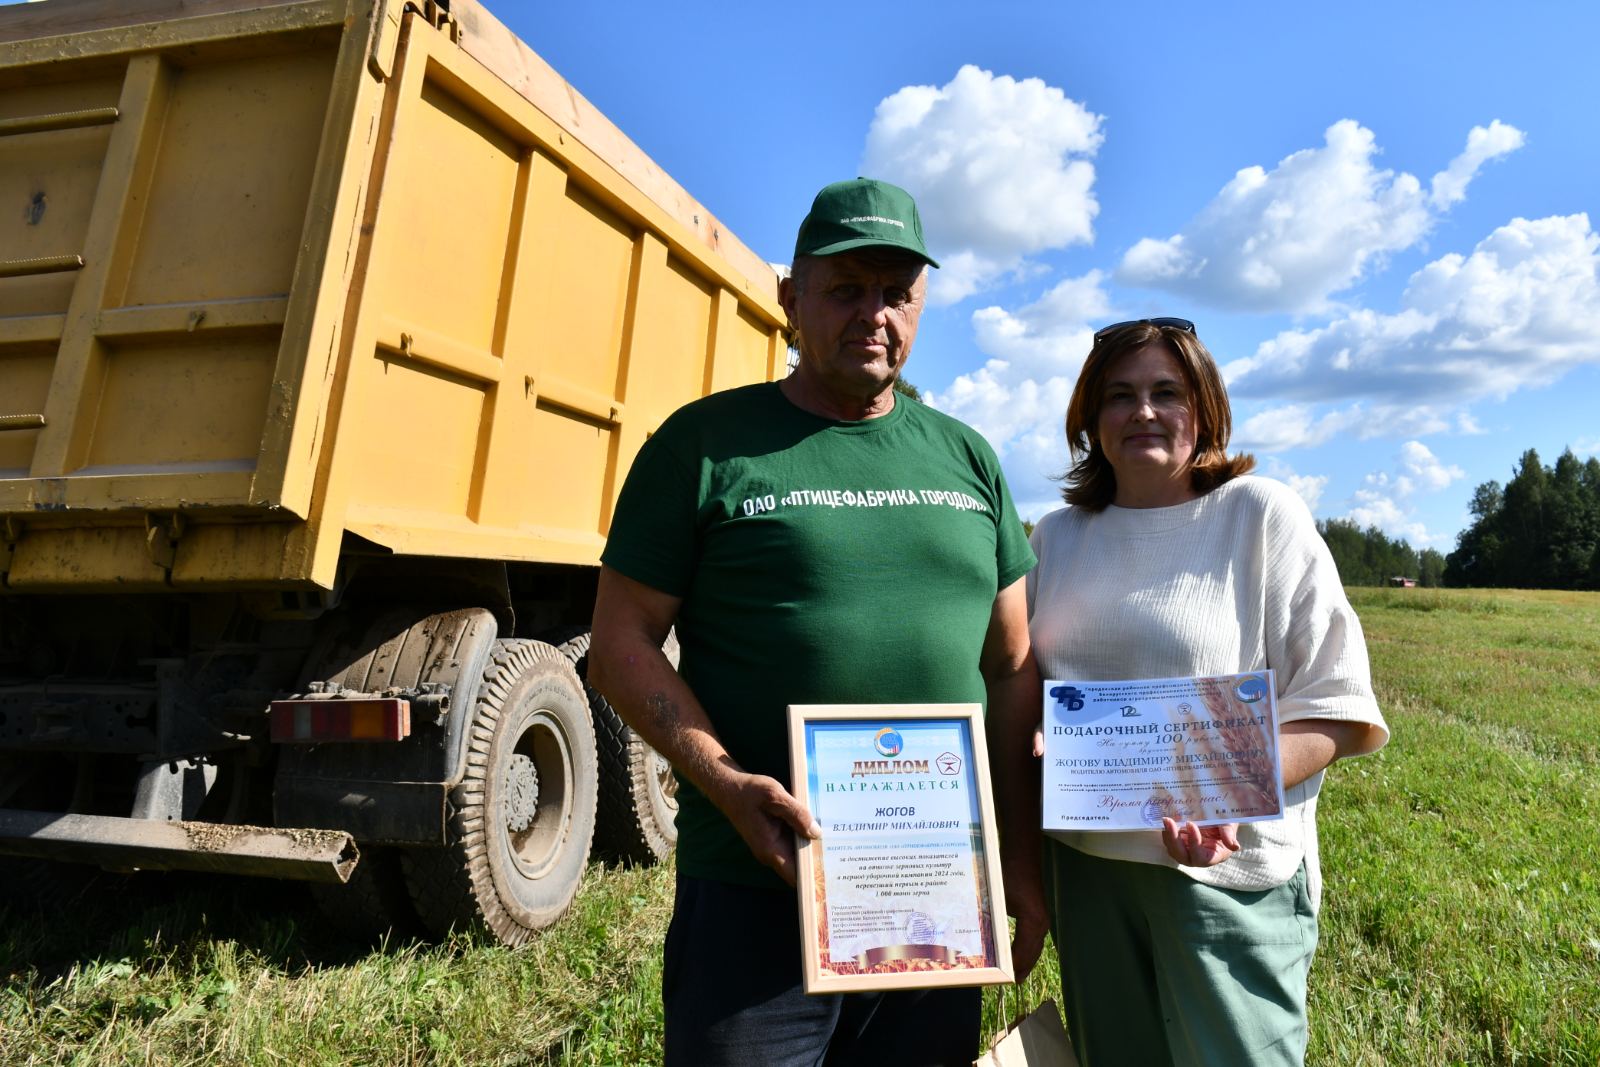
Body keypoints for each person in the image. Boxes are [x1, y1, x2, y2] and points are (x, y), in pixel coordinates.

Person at [588, 178, 1045, 1067]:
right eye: (846, 289)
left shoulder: (968, 459)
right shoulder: (704, 445)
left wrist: (1017, 862)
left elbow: (1013, 669)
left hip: (933, 898)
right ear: (791, 297)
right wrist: (726, 783)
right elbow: (618, 644)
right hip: (757, 886)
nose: (875, 313)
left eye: (898, 293)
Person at [1015, 318, 1390, 1066]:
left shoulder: (1259, 515)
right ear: (1089, 417)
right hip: (1089, 872)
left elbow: (1338, 708)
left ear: (1206, 409)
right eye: (1118, 395)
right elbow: (1024, 686)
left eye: (1166, 392)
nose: (1143, 411)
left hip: (1224, 872)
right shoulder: (1054, 537)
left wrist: (1220, 787)